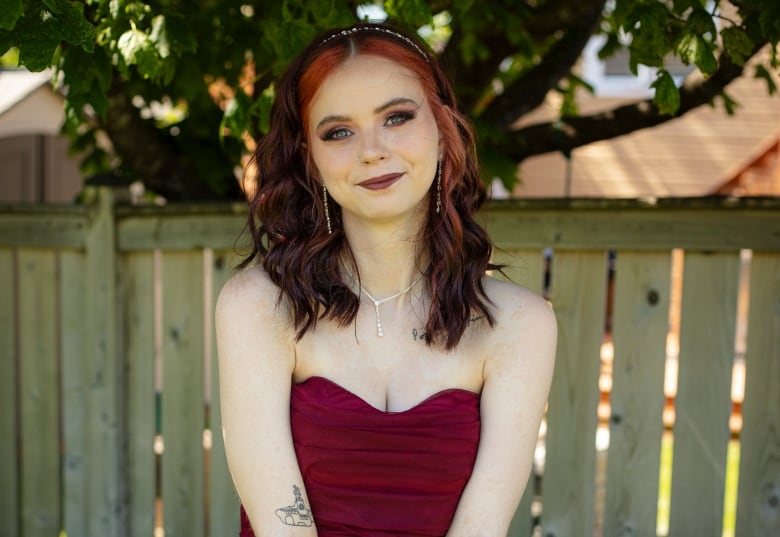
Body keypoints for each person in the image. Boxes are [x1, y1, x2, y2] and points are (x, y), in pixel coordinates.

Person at [215, 21, 557, 537]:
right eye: (339, 132)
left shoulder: (520, 324)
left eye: (396, 118)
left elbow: (481, 528)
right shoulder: (259, 308)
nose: (371, 150)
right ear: (310, 159)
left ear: (443, 130)